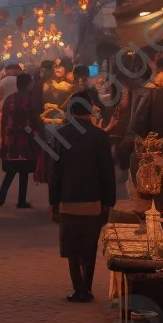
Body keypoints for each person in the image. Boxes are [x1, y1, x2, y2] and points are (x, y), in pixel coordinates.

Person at [48, 91, 117, 303]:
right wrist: (108, 202)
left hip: (68, 201)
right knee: (89, 247)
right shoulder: (100, 136)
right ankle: (87, 287)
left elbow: (55, 173)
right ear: (90, 110)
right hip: (93, 202)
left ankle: (78, 289)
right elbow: (107, 172)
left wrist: (53, 202)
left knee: (71, 248)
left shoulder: (60, 134)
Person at [0, 72, 38, 208]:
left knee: (11, 170)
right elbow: (29, 121)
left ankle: (1, 195)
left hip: (9, 140)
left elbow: (3, 120)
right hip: (23, 140)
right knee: (23, 172)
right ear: (27, 85)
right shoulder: (27, 99)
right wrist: (34, 134)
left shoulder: (9, 98)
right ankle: (21, 200)